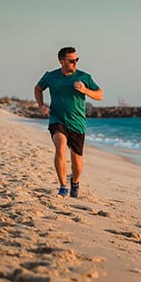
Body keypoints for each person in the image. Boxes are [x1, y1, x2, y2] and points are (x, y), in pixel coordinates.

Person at [34, 47, 103, 197]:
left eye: (77, 60)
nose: (75, 63)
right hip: (57, 119)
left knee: (76, 159)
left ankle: (75, 182)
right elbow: (38, 88)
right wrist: (41, 106)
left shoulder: (84, 77)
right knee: (60, 148)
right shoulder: (51, 76)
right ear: (62, 61)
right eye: (71, 61)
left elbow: (100, 95)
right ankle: (63, 186)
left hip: (77, 122)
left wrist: (86, 90)